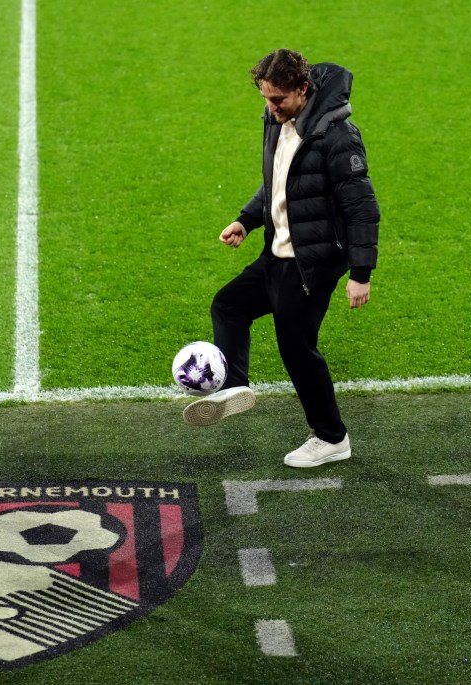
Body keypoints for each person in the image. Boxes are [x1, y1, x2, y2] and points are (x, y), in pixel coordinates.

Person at [183, 49, 380, 468]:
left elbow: (361, 207)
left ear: (303, 90)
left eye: (278, 100)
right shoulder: (278, 124)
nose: (270, 108)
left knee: (297, 350)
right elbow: (277, 183)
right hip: (277, 254)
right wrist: (246, 220)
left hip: (310, 264)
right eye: (265, 99)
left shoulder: (338, 137)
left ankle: (332, 437)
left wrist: (361, 273)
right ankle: (233, 384)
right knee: (229, 304)